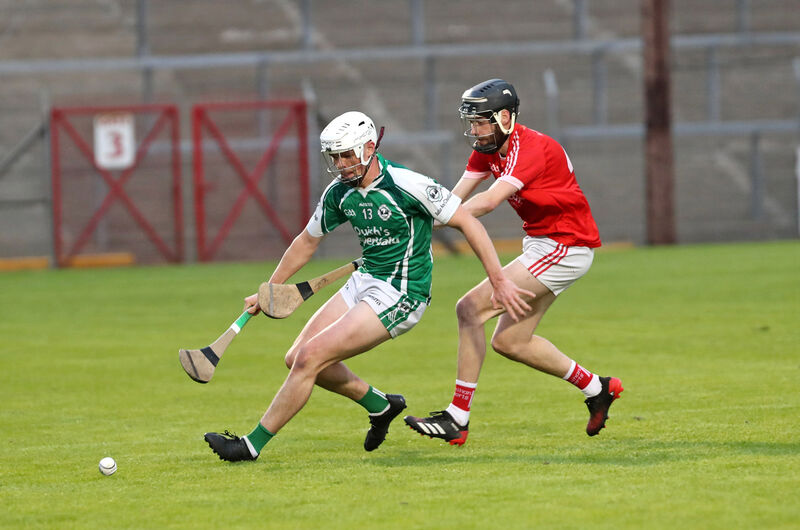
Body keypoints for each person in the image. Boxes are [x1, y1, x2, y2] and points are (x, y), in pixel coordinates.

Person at [204, 110, 532, 462]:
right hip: (364, 280)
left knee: (310, 358)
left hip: (402, 293)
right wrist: (270, 289)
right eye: (335, 157)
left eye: (347, 155)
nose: (341, 165)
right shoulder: (339, 193)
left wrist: (498, 280)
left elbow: (468, 222)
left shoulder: (408, 184)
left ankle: (250, 446)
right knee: (295, 358)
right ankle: (380, 406)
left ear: (369, 148)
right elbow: (306, 242)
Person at [404, 79, 624, 446]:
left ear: (505, 117)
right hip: (542, 245)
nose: (475, 131)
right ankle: (597, 388)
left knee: (469, 309)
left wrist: (434, 222)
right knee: (510, 341)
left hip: (566, 245)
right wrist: (419, 218)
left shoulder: (532, 147)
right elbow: (453, 200)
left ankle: (457, 418)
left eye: (480, 122)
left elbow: (488, 202)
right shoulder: (487, 149)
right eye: (472, 123)